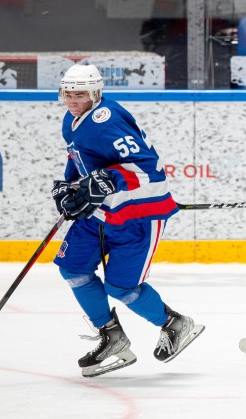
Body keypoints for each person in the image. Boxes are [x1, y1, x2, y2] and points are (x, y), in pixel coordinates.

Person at [51, 64, 204, 377]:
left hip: (139, 215)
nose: (72, 100)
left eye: (79, 94)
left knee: (121, 288)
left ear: (95, 93)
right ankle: (112, 336)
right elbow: (78, 158)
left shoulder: (106, 121)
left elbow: (148, 169)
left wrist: (107, 180)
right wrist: (72, 186)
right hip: (101, 212)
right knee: (73, 267)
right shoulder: (73, 120)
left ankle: (175, 324)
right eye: (68, 93)